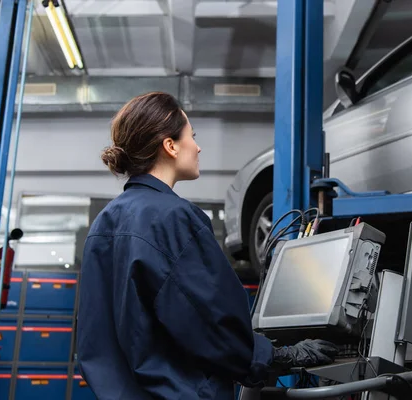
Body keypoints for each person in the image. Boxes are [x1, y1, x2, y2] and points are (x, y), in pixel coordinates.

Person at [76, 92, 339, 399]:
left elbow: (94, 338)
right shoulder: (173, 218)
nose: (198, 147)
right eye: (192, 136)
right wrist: (282, 357)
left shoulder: (103, 224)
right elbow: (212, 322)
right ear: (170, 146)